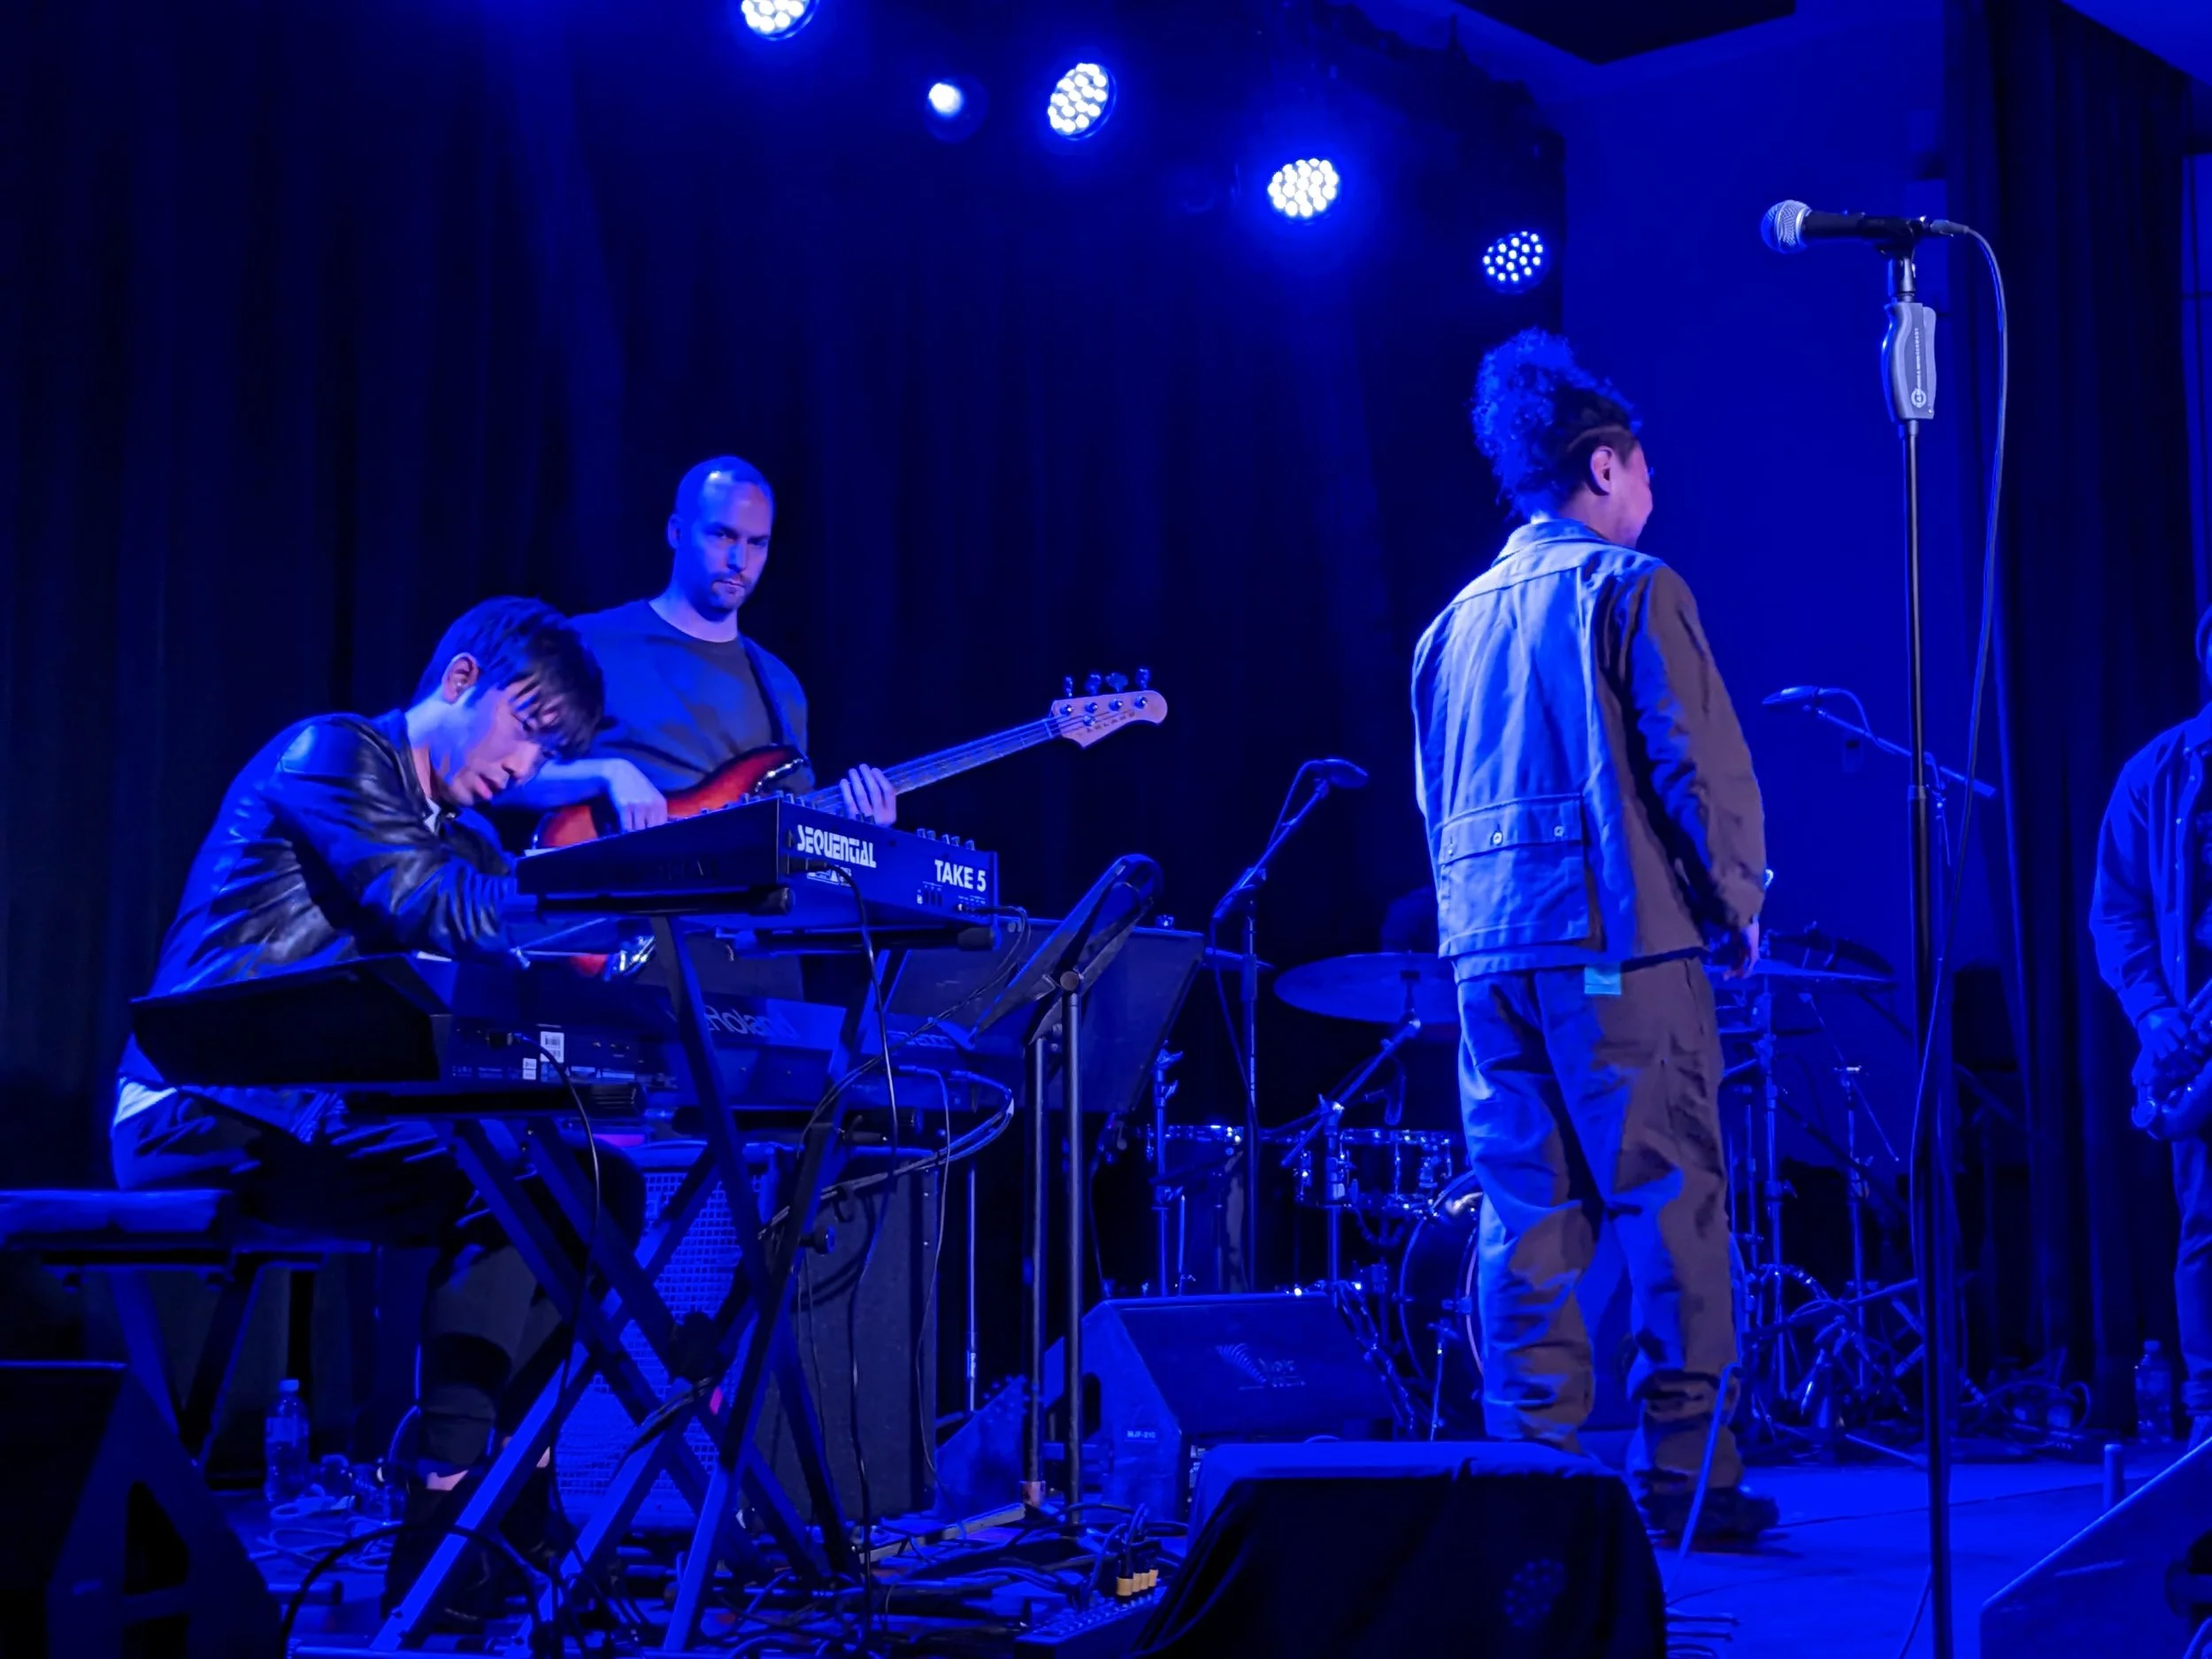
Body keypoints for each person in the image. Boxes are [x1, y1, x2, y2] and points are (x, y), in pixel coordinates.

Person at [111, 596, 644, 1617]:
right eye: (525, 730)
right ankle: (445, 1519)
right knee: (511, 1176)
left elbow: (501, 949)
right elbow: (428, 903)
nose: (527, 767)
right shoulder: (333, 754)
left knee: (597, 1185)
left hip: (314, 1114)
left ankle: (517, 1495)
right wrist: (616, 885)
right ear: (460, 680)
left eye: (548, 752)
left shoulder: (467, 836)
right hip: (200, 1103)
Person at [1410, 329, 1774, 1540]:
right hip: (1615, 945)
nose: (1652, 492)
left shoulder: (1449, 626)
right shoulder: (1631, 587)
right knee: (1671, 1203)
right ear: (1605, 465)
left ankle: (1534, 1478)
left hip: (1487, 956)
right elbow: (1693, 766)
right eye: (1645, 470)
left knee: (1524, 1216)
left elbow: (1433, 800)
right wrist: (1735, 902)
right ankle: (1689, 1478)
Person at [505, 456, 897, 830]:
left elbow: (791, 839)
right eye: (723, 535)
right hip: (613, 872)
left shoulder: (782, 688)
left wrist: (859, 830)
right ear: (676, 532)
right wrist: (608, 774)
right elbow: (503, 776)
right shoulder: (587, 644)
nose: (739, 560)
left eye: (757, 543)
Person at [2089, 608, 2212, 1449]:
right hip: (2193, 1035)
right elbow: (2118, 910)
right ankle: (2207, 1419)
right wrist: (2157, 1015)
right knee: (2205, 1226)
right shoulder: (2156, 772)